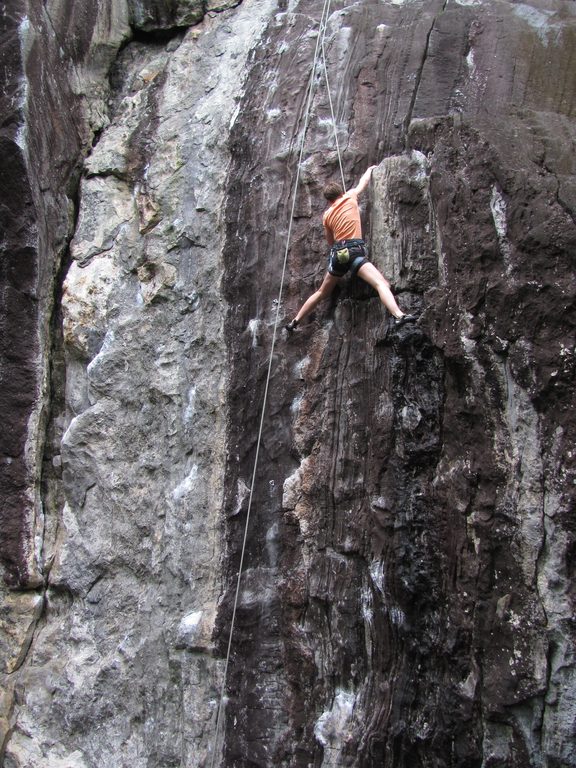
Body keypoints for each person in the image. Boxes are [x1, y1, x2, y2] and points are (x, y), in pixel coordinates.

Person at [285, 165, 416, 332]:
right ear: (341, 193)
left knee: (322, 292)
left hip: (339, 253)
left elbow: (330, 241)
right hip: (355, 251)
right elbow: (363, 182)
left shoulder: (327, 215)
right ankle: (399, 315)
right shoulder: (350, 196)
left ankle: (294, 321)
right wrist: (369, 170)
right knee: (380, 283)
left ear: (329, 200)